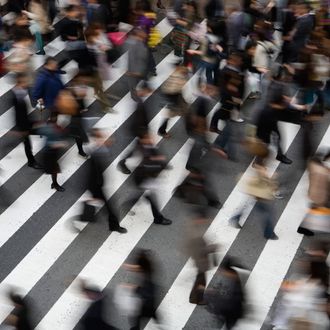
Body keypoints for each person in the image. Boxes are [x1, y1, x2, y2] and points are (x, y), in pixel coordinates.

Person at [85, 128, 127, 233]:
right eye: (101, 136)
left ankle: (84, 217)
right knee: (110, 208)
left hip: (96, 185)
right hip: (96, 187)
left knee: (98, 205)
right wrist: (97, 186)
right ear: (96, 139)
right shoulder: (95, 153)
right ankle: (114, 226)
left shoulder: (98, 150)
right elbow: (92, 174)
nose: (105, 137)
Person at [10, 72, 43, 169]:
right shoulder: (16, 96)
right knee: (28, 145)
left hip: (26, 122)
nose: (27, 83)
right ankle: (31, 162)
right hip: (23, 126)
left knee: (30, 142)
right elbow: (18, 114)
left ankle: (32, 161)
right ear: (19, 82)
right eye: (24, 81)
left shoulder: (20, 91)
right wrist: (21, 129)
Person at [124, 249, 160, 329]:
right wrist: (128, 267)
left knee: (135, 317)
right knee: (151, 312)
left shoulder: (147, 280)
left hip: (145, 304)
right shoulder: (148, 270)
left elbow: (145, 292)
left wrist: (132, 287)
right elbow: (140, 268)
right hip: (149, 303)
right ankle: (155, 317)